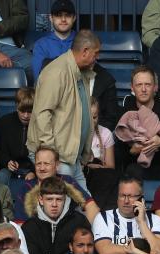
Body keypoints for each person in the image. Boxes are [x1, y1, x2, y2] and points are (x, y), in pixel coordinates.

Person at [27, 31, 100, 194]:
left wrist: (83, 153)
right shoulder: (57, 72)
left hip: (70, 156)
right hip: (57, 157)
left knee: (86, 205)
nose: (97, 58)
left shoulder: (81, 72)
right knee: (64, 207)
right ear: (85, 51)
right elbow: (42, 114)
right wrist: (51, 156)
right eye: (96, 53)